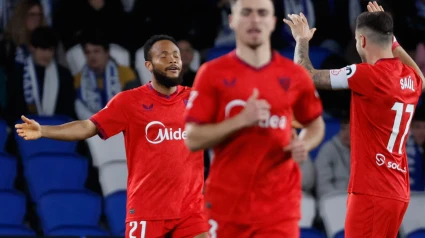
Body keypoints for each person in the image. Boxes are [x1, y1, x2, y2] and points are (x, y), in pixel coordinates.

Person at [15, 34, 208, 238]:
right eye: (164, 55)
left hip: (190, 210)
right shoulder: (130, 101)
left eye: (176, 55)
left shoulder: (197, 98)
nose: (173, 59)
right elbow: (87, 127)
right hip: (148, 211)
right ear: (149, 66)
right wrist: (44, 130)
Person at [184, 0, 325, 237]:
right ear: (232, 21)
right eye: (246, 12)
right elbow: (192, 138)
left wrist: (304, 143)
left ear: (272, 22)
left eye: (262, 13)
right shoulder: (212, 73)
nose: (255, 19)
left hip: (279, 206)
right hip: (227, 206)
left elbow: (315, 125)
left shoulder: (294, 75)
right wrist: (240, 120)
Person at [283, 2, 425, 237]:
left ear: (362, 40)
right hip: (398, 191)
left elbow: (306, 76)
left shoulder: (367, 74)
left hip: (371, 191)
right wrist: (394, 41)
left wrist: (301, 40)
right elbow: (421, 78)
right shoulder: (409, 78)